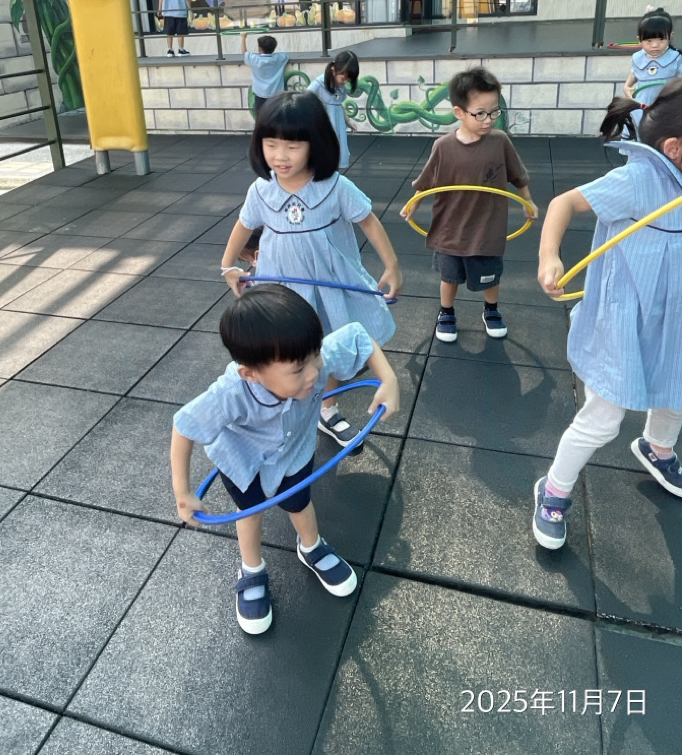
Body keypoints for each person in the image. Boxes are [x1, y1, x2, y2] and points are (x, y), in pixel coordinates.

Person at [171, 284, 399, 634]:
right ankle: (251, 568)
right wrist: (183, 492)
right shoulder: (231, 393)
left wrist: (389, 379)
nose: (314, 373)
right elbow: (184, 426)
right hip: (243, 461)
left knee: (299, 502)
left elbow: (359, 337)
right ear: (251, 373)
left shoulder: (310, 359)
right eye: (298, 369)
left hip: (294, 454)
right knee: (250, 513)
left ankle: (311, 546)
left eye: (315, 356)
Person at [534, 81, 682, 550]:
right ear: (675, 148)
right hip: (624, 318)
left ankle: (657, 448)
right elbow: (563, 203)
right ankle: (553, 489)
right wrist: (549, 257)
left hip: (672, 315)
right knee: (603, 417)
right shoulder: (638, 181)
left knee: (676, 389)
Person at [220, 91, 403, 448]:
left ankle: (327, 409)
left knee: (325, 346)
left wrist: (392, 265)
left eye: (292, 146)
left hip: (328, 285)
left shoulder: (334, 187)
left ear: (315, 143)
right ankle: (285, 411)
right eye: (271, 145)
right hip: (283, 290)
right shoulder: (261, 190)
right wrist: (227, 265)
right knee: (284, 350)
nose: (280, 156)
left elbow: (368, 220)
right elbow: (244, 225)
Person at [401, 67, 537, 343]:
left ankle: (491, 309)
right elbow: (427, 180)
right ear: (459, 112)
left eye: (494, 112)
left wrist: (527, 199)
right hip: (450, 228)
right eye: (480, 113)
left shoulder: (500, 141)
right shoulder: (443, 146)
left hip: (487, 227)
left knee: (490, 275)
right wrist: (414, 203)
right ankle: (446, 312)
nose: (489, 120)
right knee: (449, 276)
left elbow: (517, 174)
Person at [623, 8, 682, 124]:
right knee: (638, 130)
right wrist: (627, 87)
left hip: (666, 110)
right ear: (639, 40)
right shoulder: (638, 58)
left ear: (670, 36)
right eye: (649, 41)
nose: (655, 45)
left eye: (661, 39)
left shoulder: (676, 58)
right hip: (641, 107)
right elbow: (634, 73)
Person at [307, 51, 360, 170]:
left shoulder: (341, 87)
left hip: (337, 127)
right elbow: (304, 102)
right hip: (323, 128)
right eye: (343, 78)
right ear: (333, 70)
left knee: (336, 155)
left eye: (348, 80)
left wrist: (348, 121)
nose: (345, 82)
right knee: (323, 157)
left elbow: (339, 104)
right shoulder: (318, 84)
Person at [241, 31, 289, 113]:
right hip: (276, 95)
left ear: (260, 48)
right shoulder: (280, 58)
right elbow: (285, 55)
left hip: (260, 95)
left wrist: (243, 37)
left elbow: (245, 53)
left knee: (261, 117)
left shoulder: (255, 59)